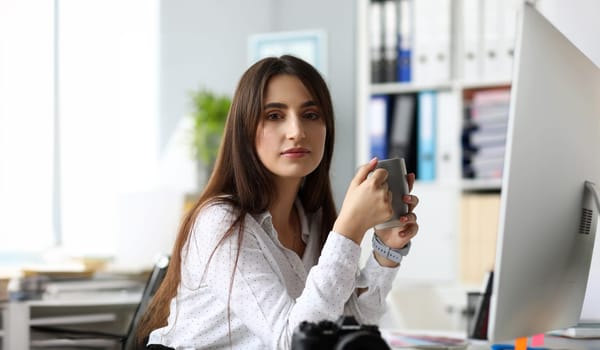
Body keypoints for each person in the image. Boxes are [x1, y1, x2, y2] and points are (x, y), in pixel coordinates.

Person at [137, 55, 420, 349]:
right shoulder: (219, 222)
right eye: (274, 116)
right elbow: (293, 342)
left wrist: (386, 250)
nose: (296, 131)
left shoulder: (311, 219)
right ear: (245, 130)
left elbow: (345, 328)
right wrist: (349, 229)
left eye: (311, 115)